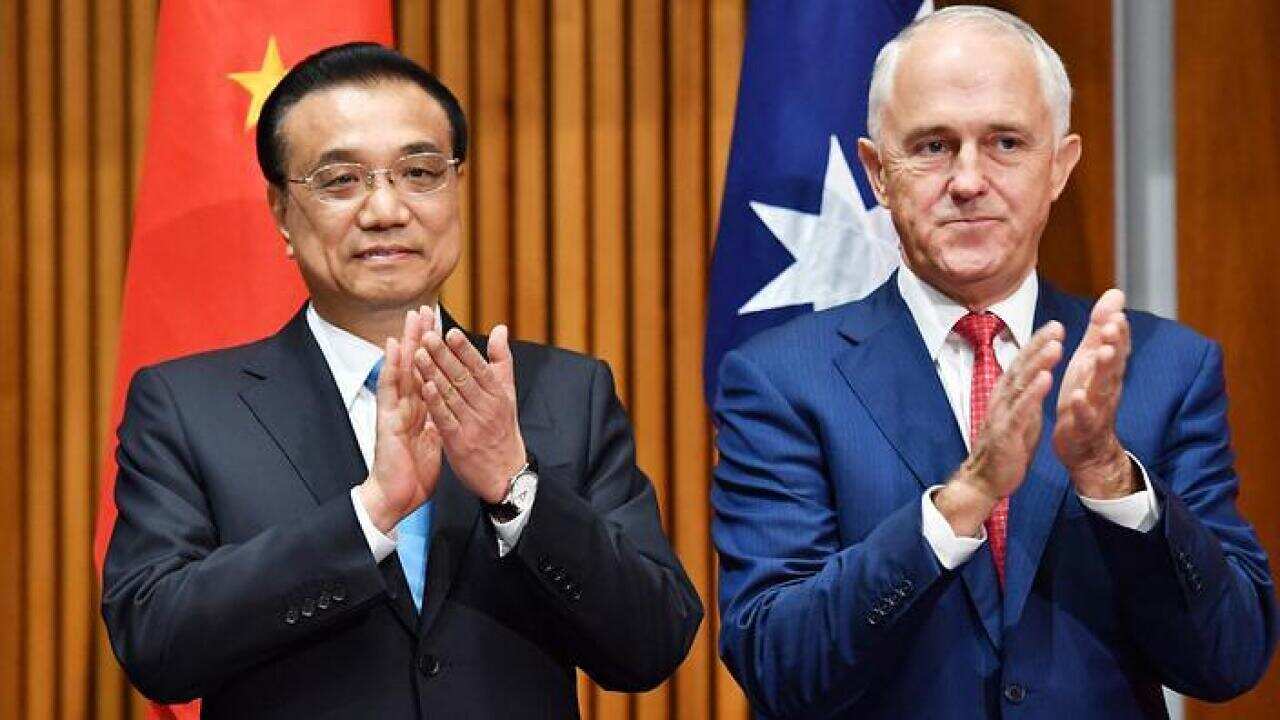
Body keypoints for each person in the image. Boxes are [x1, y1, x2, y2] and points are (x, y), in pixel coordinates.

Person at [102, 42, 702, 718]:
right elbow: (154, 642)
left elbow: (653, 642)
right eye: (341, 181)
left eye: (419, 172)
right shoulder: (190, 407)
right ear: (281, 214)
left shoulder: (565, 393)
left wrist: (516, 489)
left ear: (455, 190)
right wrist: (371, 513)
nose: (385, 210)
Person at [711, 7, 1275, 719]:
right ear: (878, 173)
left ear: (1059, 166)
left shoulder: (1167, 368)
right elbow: (778, 665)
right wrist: (963, 501)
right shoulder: (782, 380)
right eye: (934, 145)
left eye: (1005, 142)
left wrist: (1108, 474)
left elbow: (1230, 658)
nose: (969, 179)